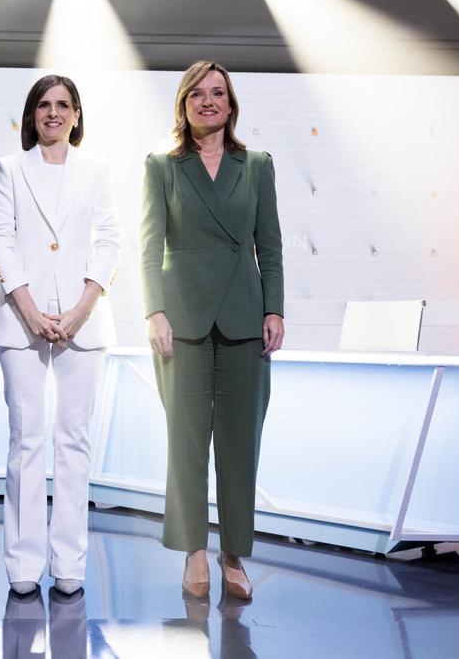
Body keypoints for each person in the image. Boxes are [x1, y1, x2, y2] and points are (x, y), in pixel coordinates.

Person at [140, 61, 284, 601]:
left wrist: (275, 309)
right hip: (182, 320)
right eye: (197, 93)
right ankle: (194, 551)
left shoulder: (257, 165)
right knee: (186, 442)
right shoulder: (162, 166)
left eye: (218, 93)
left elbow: (269, 245)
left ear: (231, 103)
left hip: (245, 317)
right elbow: (149, 246)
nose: (208, 101)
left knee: (240, 444)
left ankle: (234, 554)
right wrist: (154, 311)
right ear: (183, 103)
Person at [0, 74, 121, 596]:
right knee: (26, 438)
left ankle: (70, 564)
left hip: (83, 319)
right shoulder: (9, 168)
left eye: (64, 105)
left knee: (74, 440)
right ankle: (22, 564)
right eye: (44, 104)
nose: (54, 113)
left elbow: (110, 241)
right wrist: (28, 307)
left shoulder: (97, 170)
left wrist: (84, 306)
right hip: (22, 318)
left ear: (77, 115)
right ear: (31, 114)